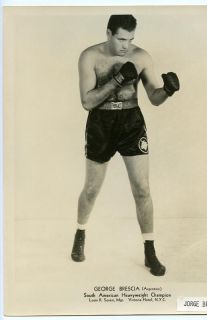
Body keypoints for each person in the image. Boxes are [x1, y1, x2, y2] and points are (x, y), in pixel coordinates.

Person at [71, 15, 180, 276]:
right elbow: (87, 102)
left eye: (130, 39)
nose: (125, 45)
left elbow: (154, 98)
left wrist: (167, 91)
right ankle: (80, 233)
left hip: (131, 121)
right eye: (121, 38)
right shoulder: (90, 57)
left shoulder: (141, 56)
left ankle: (150, 251)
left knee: (143, 189)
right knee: (91, 189)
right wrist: (117, 81)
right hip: (101, 122)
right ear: (108, 33)